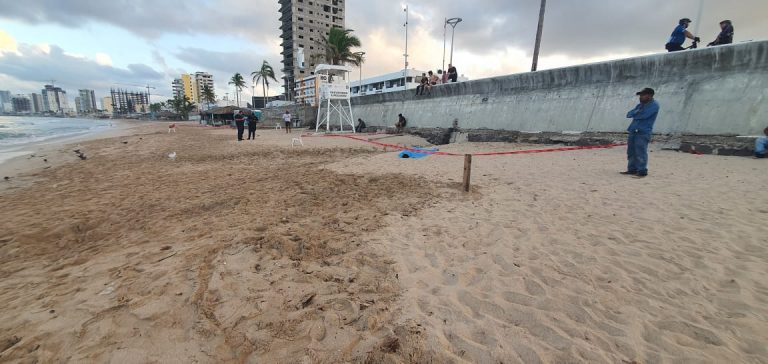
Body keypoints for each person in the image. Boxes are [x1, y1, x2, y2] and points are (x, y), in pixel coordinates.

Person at [622, 88, 660, 178]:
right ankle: (632, 169)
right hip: (633, 130)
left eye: (643, 95)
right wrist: (637, 112)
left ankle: (642, 171)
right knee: (631, 151)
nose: (641, 97)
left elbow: (643, 115)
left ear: (650, 96)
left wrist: (636, 113)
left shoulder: (654, 105)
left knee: (640, 152)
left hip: (643, 131)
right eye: (640, 95)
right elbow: (628, 114)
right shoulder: (640, 105)